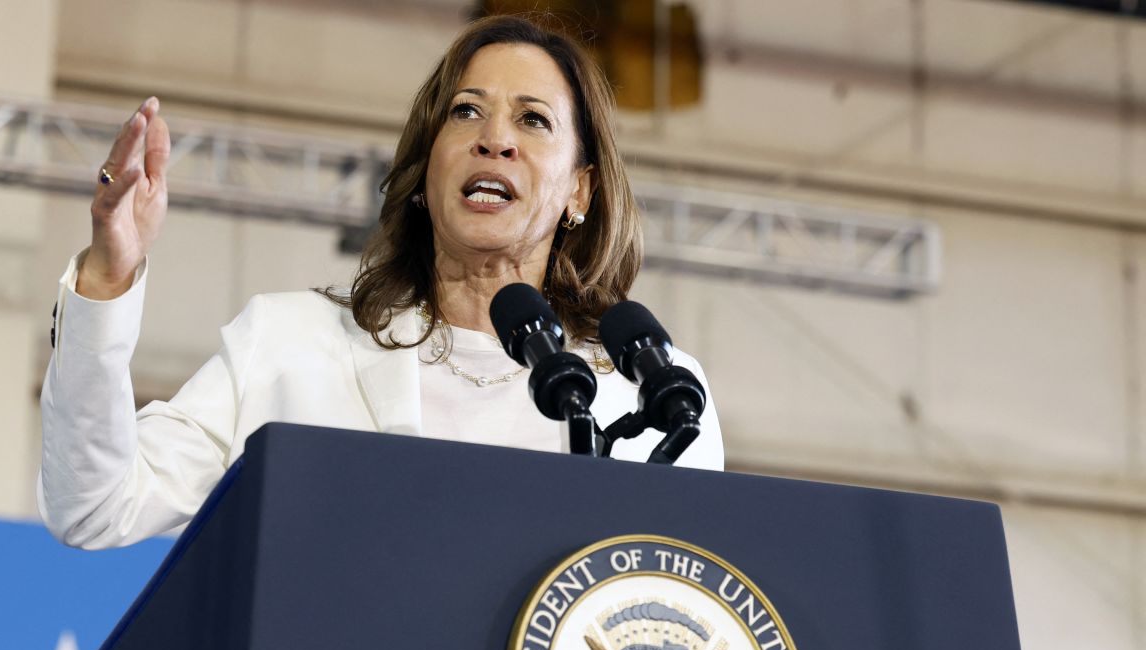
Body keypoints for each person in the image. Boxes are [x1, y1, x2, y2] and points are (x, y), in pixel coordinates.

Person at [39, 15, 724, 549]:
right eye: (466, 112)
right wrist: (108, 276)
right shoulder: (291, 344)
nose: (495, 140)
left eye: (533, 120)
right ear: (426, 171)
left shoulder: (655, 394)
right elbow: (95, 506)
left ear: (581, 189)